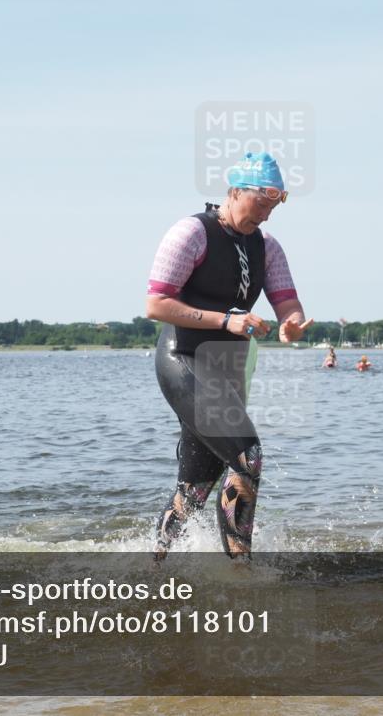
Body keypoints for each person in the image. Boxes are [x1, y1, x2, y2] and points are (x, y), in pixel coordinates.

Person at [146, 152, 312, 558]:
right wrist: (226, 321)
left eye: (273, 207)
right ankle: (241, 570)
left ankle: (154, 563)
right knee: (246, 455)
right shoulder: (191, 233)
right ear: (235, 191)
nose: (267, 215)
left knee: (199, 485)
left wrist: (292, 324)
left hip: (227, 370)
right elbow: (155, 305)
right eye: (261, 203)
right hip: (184, 358)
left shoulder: (267, 247)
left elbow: (288, 304)